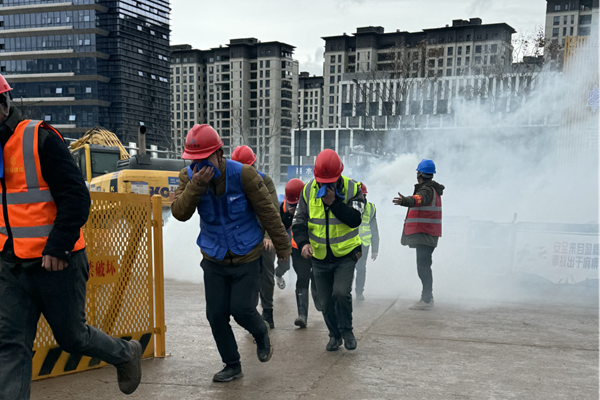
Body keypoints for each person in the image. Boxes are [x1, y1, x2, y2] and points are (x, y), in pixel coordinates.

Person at [0, 74, 142, 399]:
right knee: (9, 345)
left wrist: (58, 245)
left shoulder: (39, 139)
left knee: (72, 337)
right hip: (11, 266)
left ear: (3, 105)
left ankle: (125, 354)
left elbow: (77, 196)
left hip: (56, 262)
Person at [171, 125, 291, 382]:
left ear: (219, 154)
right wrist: (196, 185)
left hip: (246, 256)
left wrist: (282, 246)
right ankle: (232, 364)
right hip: (213, 258)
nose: (200, 165)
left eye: (205, 158)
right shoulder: (187, 177)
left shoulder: (244, 174)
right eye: (194, 160)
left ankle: (261, 333)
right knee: (215, 315)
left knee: (242, 310)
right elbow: (180, 212)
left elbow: (268, 211)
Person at [292, 149, 364, 351]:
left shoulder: (353, 188)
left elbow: (355, 219)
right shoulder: (308, 191)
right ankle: (334, 335)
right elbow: (298, 222)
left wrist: (334, 203)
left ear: (339, 174)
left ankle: (347, 331)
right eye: (322, 182)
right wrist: (304, 243)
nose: (326, 185)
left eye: (330, 181)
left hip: (345, 255)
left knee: (340, 293)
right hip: (319, 257)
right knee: (324, 301)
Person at [231, 145, 278, 329]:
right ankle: (250, 313)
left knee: (266, 274)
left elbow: (273, 210)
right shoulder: (231, 183)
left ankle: (268, 312)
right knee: (246, 276)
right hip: (243, 238)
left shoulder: (265, 181)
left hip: (263, 236)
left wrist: (268, 236)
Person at [393, 159, 444, 311]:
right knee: (424, 266)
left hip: (425, 234)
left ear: (420, 174)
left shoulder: (427, 189)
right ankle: (427, 298)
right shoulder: (432, 189)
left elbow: (419, 199)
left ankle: (426, 299)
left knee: (423, 267)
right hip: (428, 233)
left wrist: (405, 200)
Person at [276, 178, 321, 328]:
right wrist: (290, 216)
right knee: (302, 277)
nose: (294, 206)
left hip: (317, 246)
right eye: (292, 203)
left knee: (316, 275)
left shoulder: (314, 202)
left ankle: (318, 297)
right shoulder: (283, 207)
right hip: (298, 248)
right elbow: (280, 226)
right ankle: (302, 315)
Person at [355, 183, 380, 301]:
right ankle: (345, 291)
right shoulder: (350, 205)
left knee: (360, 268)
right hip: (349, 242)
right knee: (348, 268)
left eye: (363, 195)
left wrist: (375, 249)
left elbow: (374, 229)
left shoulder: (371, 208)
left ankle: (359, 292)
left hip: (363, 243)